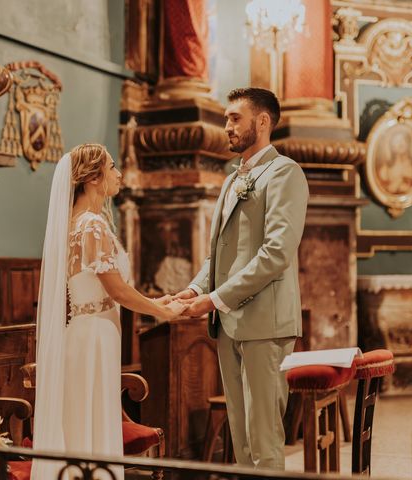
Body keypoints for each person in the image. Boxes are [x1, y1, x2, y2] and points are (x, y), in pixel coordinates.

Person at [31, 143, 186, 479]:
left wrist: (156, 303)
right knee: (91, 420)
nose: (119, 174)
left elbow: (111, 288)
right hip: (95, 335)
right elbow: (116, 289)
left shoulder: (76, 223)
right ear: (92, 178)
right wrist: (160, 310)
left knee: (81, 421)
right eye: (112, 167)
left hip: (86, 332)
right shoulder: (92, 225)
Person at [175, 88, 309, 469]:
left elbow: (276, 253)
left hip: (264, 323)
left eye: (235, 118)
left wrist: (216, 299)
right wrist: (195, 288)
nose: (227, 126)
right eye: (227, 118)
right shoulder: (233, 178)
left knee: (264, 441)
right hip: (229, 325)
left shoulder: (284, 173)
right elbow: (218, 255)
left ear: (262, 122)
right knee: (243, 440)